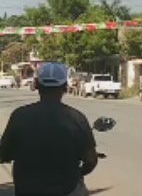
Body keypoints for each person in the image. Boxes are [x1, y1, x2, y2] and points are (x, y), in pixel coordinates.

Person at [0, 62, 98, 196]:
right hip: (67, 189)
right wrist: (77, 173)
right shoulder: (76, 117)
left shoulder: (19, 116)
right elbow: (91, 160)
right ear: (65, 87)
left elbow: (3, 153)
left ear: (36, 85)